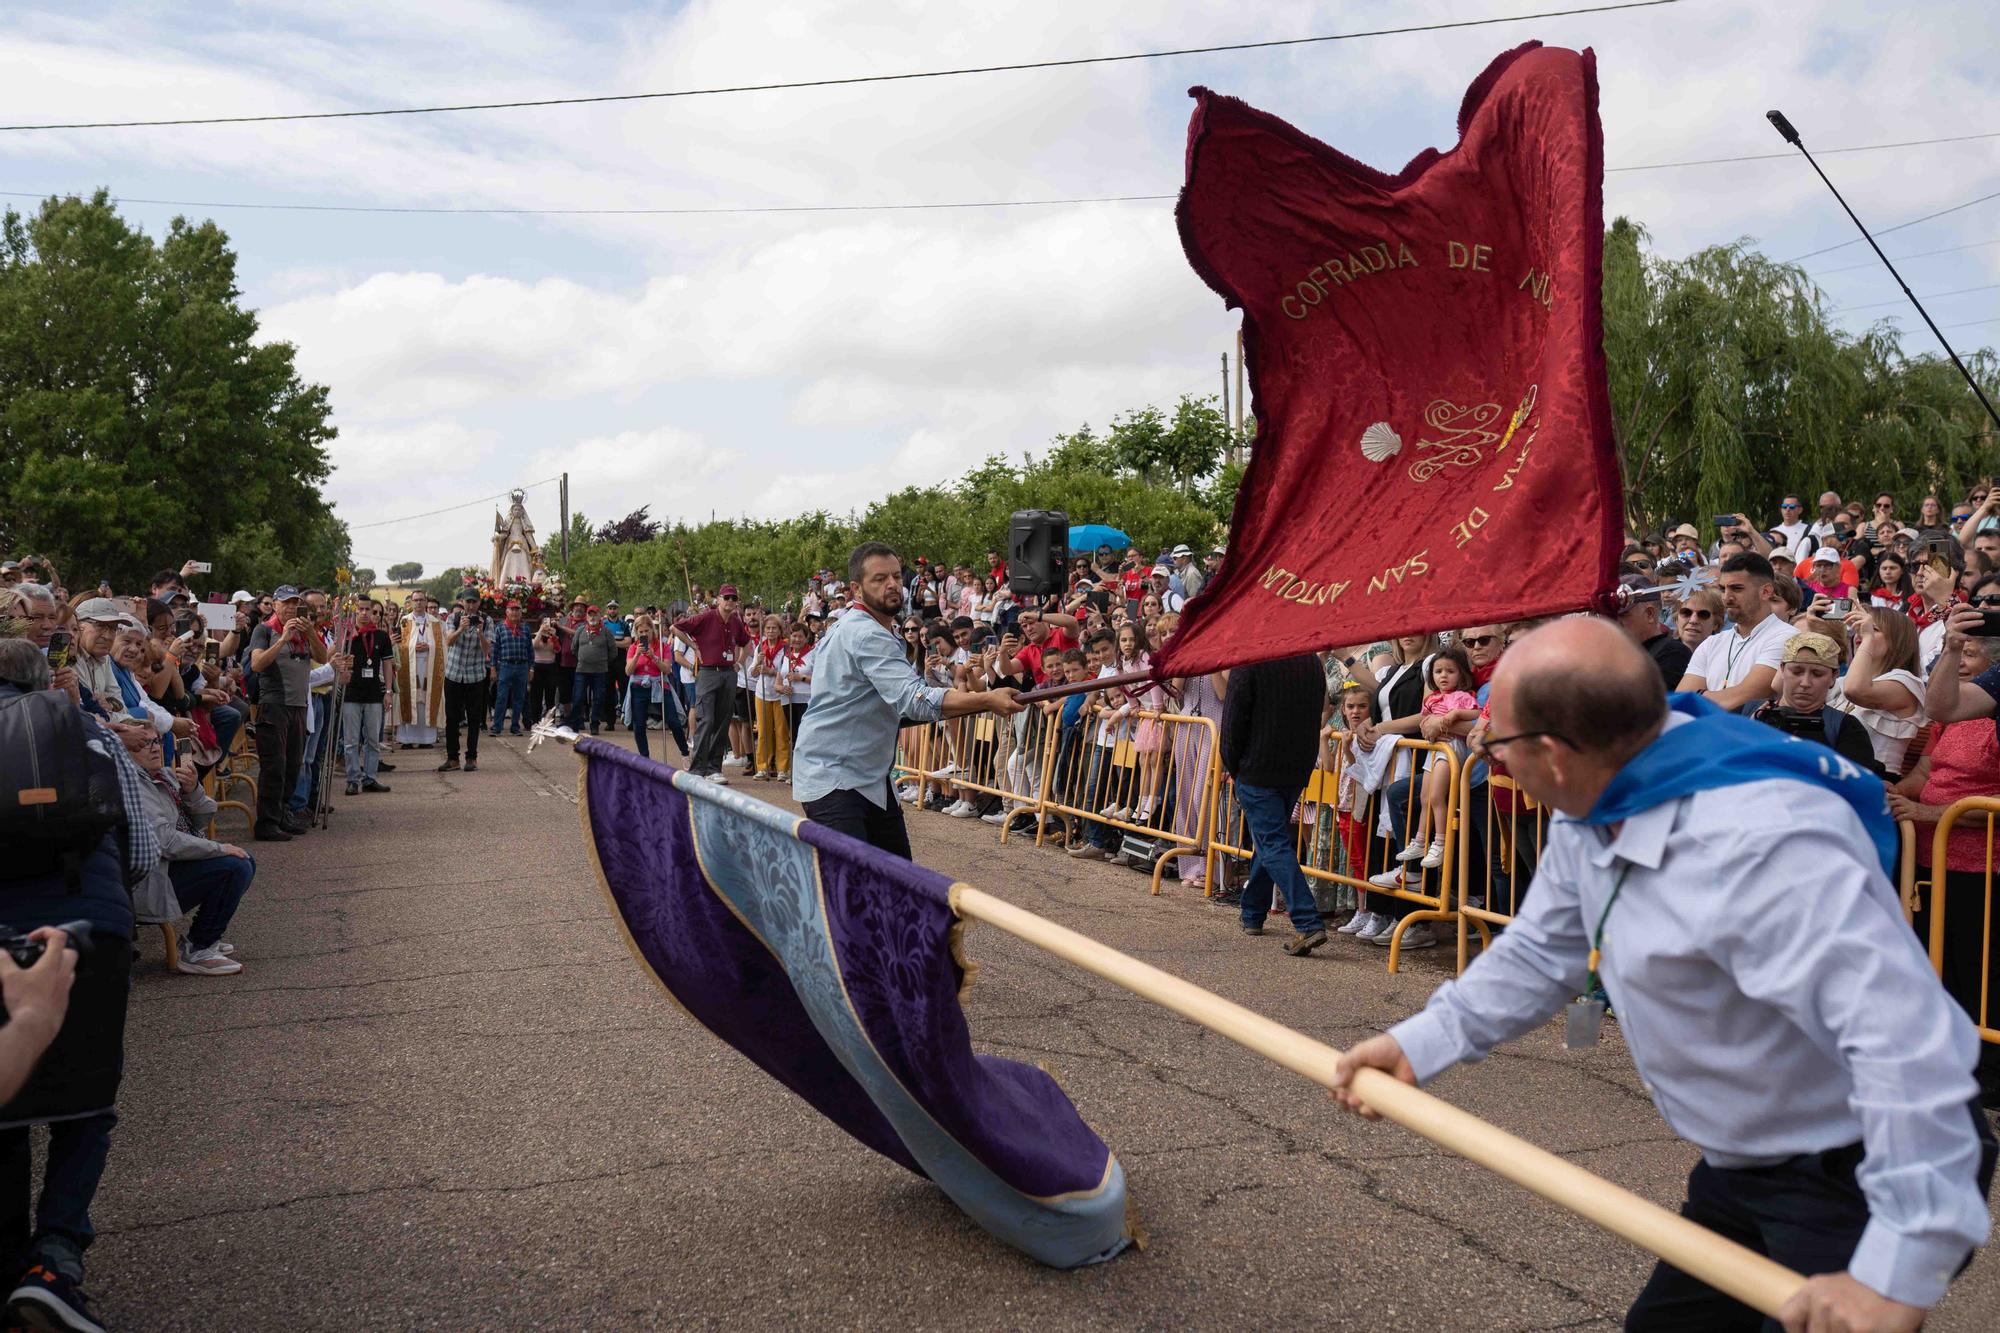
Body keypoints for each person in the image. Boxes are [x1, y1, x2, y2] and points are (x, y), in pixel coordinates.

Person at [1330, 618, 1993, 1333]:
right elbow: (1543, 950)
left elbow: (1907, 1046)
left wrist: (1895, 1270)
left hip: (1858, 1170)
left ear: (1551, 752)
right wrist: (1418, 1044)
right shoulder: (1602, 787)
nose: (1485, 756)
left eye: (1493, 742)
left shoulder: (1764, 843)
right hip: (1745, 1162)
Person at [792, 542, 1023, 858]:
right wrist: (986, 700)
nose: (891, 585)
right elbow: (914, 701)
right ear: (857, 588)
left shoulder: (866, 627)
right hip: (836, 779)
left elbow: (897, 707)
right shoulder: (865, 632)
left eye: (896, 576)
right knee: (851, 889)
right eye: (879, 579)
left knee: (897, 883)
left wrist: (973, 701)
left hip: (868, 779)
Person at [1220, 650, 1329, 955]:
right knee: (1270, 841)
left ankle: (1307, 922)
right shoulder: (1309, 660)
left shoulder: (1249, 659)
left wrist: (1233, 763)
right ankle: (1252, 912)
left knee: (1272, 843)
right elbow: (1315, 711)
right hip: (1294, 768)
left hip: (1258, 768)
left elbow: (1232, 720)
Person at [248, 586, 328, 840]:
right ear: (275, 606)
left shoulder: (304, 632)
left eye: (296, 603)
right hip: (274, 705)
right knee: (274, 766)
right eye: (286, 603)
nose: (292, 608)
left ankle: (282, 815)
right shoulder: (264, 630)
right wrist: (283, 638)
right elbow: (257, 664)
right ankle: (267, 823)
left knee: (293, 765)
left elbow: (322, 657)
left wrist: (310, 633)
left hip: (298, 707)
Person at [1748, 631, 1880, 772]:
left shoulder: (1845, 727)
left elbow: (1854, 785)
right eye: (1797, 672)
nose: (1805, 683)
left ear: (1833, 676)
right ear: (1782, 669)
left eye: (1817, 674)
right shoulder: (1749, 712)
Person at [1675, 553, 1789, 710]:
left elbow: (1744, 697)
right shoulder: (1712, 642)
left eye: (1737, 589)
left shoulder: (1787, 638)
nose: (1727, 598)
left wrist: (1699, 696)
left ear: (1766, 592)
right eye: (1723, 589)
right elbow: (1681, 700)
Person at [673, 586, 752, 783]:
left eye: (734, 598)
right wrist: (693, 645)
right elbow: (676, 627)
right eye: (727, 597)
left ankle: (714, 769)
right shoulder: (706, 617)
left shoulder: (735, 621)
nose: (730, 601)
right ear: (719, 599)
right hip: (708, 672)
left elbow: (746, 643)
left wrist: (739, 663)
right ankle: (697, 769)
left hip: (728, 673)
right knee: (706, 719)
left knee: (722, 721)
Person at [341, 600, 395, 796]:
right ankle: (353, 779)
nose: (365, 614)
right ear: (355, 612)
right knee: (351, 741)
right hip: (351, 694)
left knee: (373, 740)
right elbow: (332, 656)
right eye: (361, 610)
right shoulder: (348, 635)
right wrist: (344, 634)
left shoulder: (381, 636)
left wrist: (388, 692)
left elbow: (388, 664)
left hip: (374, 695)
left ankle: (370, 777)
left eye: (370, 611)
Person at [438, 590, 490, 773]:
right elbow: (449, 641)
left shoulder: (486, 620)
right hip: (454, 674)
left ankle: (471, 758)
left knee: (474, 718)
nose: (471, 605)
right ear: (462, 601)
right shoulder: (453, 617)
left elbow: (487, 649)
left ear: (479, 603)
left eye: (474, 602)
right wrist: (461, 628)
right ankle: (453, 758)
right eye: (468, 602)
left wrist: (480, 632)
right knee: (452, 718)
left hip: (475, 675)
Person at [1612, 575, 1691, 687]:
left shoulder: (1674, 653)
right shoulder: (1617, 653)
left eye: (1624, 615)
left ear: (1650, 614)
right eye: (1612, 615)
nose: (1616, 621)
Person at [396, 592, 446, 748]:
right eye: (415, 600)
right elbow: (398, 646)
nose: (418, 603)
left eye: (421, 600)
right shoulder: (404, 621)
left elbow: (442, 647)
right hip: (409, 666)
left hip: (429, 666)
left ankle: (427, 739)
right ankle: (407, 739)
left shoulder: (435, 622)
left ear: (426, 602)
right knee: (410, 698)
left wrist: (429, 647)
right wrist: (413, 647)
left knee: (426, 699)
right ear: (411, 602)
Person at [487, 600, 533, 737]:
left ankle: (515, 727)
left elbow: (530, 650)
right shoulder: (500, 627)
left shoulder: (525, 628)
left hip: (522, 666)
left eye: (517, 609)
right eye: (512, 609)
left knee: (519, 698)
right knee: (501, 697)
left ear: (521, 612)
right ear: (506, 612)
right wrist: (493, 668)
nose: (514, 612)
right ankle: (497, 727)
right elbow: (495, 649)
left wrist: (531, 668)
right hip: (505, 665)